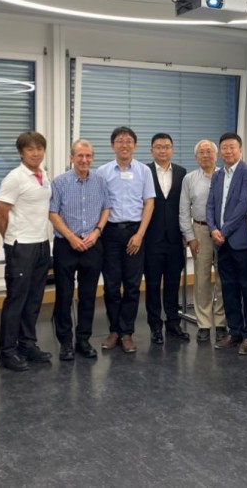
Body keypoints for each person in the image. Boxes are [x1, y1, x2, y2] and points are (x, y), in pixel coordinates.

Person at [0, 131, 53, 371]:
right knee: (16, 300)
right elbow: (0, 214)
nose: (36, 153)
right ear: (21, 152)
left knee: (34, 298)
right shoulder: (15, 178)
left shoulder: (43, 175)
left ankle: (27, 344)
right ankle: (7, 352)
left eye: (39, 148)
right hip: (21, 245)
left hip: (42, 243)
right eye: (30, 149)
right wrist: (11, 239)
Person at [49, 139, 110, 361]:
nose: (84, 160)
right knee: (64, 296)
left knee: (88, 296)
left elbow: (106, 208)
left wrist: (97, 231)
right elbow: (53, 213)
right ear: (71, 158)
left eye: (88, 156)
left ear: (92, 158)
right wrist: (71, 237)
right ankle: (65, 342)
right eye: (80, 156)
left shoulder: (100, 181)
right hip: (67, 245)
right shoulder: (59, 182)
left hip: (92, 245)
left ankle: (83, 339)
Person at [97, 126, 155, 353]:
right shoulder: (102, 172)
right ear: (112, 145)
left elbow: (149, 203)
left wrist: (140, 234)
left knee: (132, 285)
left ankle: (127, 332)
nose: (125, 145)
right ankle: (114, 330)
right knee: (111, 285)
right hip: (110, 233)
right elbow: (99, 203)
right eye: (120, 141)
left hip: (135, 232)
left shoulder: (144, 171)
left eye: (129, 141)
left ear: (135, 146)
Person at [206, 132, 247, 355]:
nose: (228, 151)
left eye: (232, 147)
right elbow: (210, 205)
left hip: (240, 242)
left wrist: (224, 231)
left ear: (240, 150)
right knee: (228, 289)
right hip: (221, 243)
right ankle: (234, 331)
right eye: (224, 147)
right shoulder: (217, 175)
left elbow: (243, 206)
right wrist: (212, 229)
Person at [178, 139, 226, 342]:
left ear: (216, 155)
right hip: (200, 230)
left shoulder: (225, 175)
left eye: (209, 151)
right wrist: (190, 236)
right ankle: (204, 323)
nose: (206, 155)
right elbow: (183, 210)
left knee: (223, 278)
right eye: (202, 152)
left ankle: (221, 322)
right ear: (196, 156)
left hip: (223, 233)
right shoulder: (189, 179)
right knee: (201, 279)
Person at [144, 133, 189, 343]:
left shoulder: (182, 172)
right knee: (152, 285)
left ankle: (173, 323)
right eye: (159, 146)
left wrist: (186, 233)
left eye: (167, 146)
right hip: (151, 238)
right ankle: (155, 326)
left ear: (172, 149)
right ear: (151, 150)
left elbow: (184, 205)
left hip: (174, 238)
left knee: (172, 283)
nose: (163, 150)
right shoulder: (144, 171)